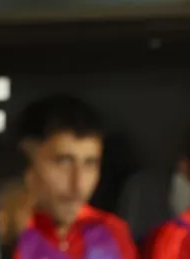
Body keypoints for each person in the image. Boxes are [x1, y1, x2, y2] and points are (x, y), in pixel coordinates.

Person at [12, 95, 138, 259]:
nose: (78, 184)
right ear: (27, 163)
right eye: (63, 162)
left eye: (90, 163)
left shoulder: (112, 231)